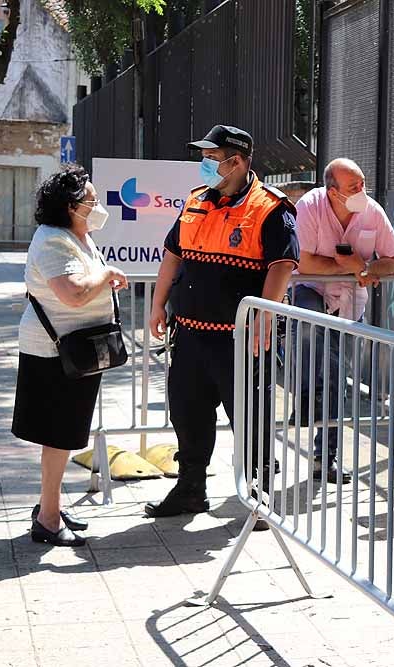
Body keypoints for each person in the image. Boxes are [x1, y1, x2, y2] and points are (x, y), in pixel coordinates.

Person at [144, 125, 298, 523]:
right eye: (206, 157)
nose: (206, 164)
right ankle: (191, 488)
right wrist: (158, 305)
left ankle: (258, 496)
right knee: (188, 414)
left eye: (213, 158)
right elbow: (172, 254)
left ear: (239, 161)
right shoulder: (196, 201)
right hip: (191, 335)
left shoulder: (270, 207)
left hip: (241, 339)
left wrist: (264, 316)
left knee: (251, 419)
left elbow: (282, 265)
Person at [12, 166, 128, 547]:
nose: (96, 206)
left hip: (78, 349)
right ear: (69, 206)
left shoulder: (79, 236)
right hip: (55, 351)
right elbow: (74, 294)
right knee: (58, 437)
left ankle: (51, 505)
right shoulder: (51, 240)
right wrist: (109, 273)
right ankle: (46, 519)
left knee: (63, 435)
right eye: (90, 201)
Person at [292, 158, 394, 484]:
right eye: (353, 187)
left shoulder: (372, 211)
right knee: (309, 334)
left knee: (338, 378)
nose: (361, 191)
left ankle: (325, 459)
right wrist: (354, 267)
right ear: (332, 192)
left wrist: (364, 270)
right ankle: (306, 396)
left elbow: (392, 263)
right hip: (310, 289)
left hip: (350, 301)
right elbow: (305, 261)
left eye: (362, 184)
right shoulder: (309, 206)